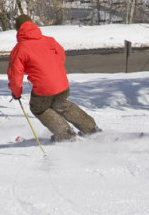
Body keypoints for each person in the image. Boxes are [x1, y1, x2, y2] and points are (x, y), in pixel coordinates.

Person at [9, 14, 100, 142]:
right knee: (61, 105)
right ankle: (91, 128)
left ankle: (65, 134)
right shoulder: (49, 40)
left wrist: (16, 93)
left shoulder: (19, 49)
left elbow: (15, 75)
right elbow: (61, 56)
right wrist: (53, 71)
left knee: (39, 108)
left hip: (44, 89)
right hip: (62, 84)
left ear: (18, 29)